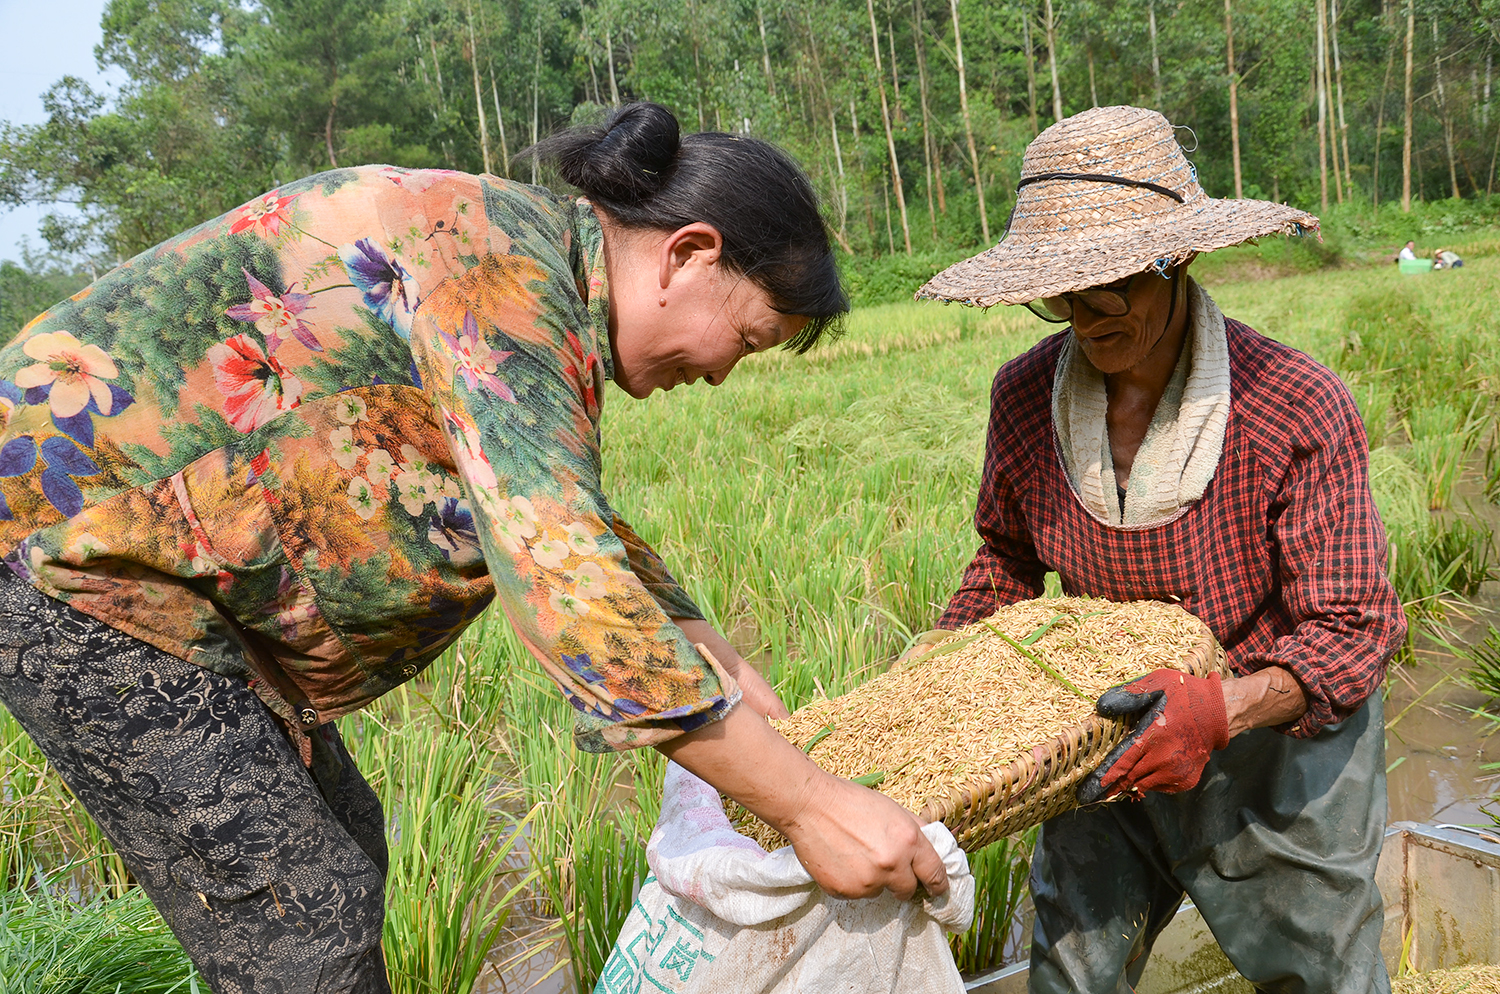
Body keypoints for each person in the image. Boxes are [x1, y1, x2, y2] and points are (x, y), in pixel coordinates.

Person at [0, 102, 946, 994]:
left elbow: (544, 497)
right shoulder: (498, 275)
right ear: (687, 256)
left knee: (342, 850)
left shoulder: (518, 262)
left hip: (130, 567)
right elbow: (556, 563)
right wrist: (811, 806)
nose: (716, 374)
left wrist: (701, 635)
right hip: (65, 562)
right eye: (743, 338)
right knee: (300, 918)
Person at [913, 106, 1405, 993]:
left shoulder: (1291, 404)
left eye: (1114, 284)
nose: (1085, 314)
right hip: (1108, 736)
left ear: (1178, 262)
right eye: (1064, 292)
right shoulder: (1027, 399)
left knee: (1319, 970)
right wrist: (938, 663)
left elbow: (1351, 629)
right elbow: (1006, 561)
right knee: (1070, 966)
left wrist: (1218, 713)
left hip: (1276, 739)